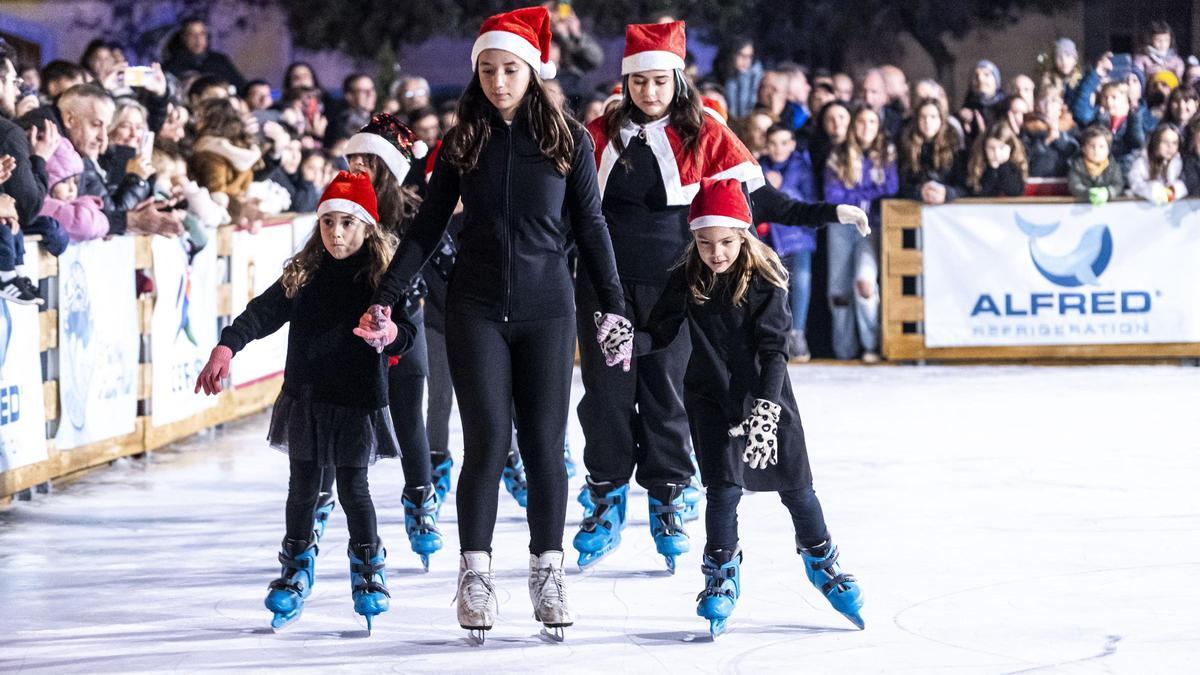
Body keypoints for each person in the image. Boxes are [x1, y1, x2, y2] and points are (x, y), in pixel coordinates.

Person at [354, 6, 633, 642]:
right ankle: (475, 575)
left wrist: (613, 303)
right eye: (487, 70)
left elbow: (590, 225)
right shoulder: (464, 141)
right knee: (485, 441)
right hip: (476, 309)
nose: (498, 81)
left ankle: (547, 569)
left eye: (510, 69)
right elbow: (426, 228)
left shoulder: (567, 139)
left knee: (543, 447)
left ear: (534, 70)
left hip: (547, 310)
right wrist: (389, 293)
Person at [576, 20, 868, 575]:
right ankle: (607, 495)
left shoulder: (705, 132)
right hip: (602, 284)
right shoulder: (599, 134)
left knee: (666, 393)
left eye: (660, 81)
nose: (650, 93)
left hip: (674, 284)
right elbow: (565, 211)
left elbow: (765, 202)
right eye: (639, 82)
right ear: (626, 82)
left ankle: (666, 496)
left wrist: (830, 214)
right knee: (607, 395)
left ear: (677, 80)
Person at [639, 176, 865, 638]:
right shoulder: (688, 276)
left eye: (725, 241)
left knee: (796, 487)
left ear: (743, 235)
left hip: (767, 395)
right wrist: (628, 341)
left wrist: (767, 407)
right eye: (705, 243)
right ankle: (721, 572)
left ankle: (822, 558)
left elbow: (774, 349)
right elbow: (659, 332)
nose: (716, 253)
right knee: (722, 490)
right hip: (711, 400)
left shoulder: (765, 279)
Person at [195, 171, 415, 631]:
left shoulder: (382, 280)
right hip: (308, 397)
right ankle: (295, 567)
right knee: (304, 488)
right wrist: (227, 345)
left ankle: (369, 568)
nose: (336, 233)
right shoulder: (305, 273)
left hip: (357, 400)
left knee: (355, 490)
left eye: (347, 223)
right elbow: (263, 312)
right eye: (328, 222)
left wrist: (390, 334)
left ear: (368, 226)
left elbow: (406, 333)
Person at [824, 106, 896, 362]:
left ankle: (871, 344)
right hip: (842, 227)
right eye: (861, 121)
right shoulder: (839, 154)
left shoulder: (886, 154)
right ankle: (844, 350)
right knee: (839, 292)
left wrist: (857, 197)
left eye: (872, 122)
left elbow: (890, 188)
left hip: (872, 227)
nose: (866, 127)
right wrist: (866, 196)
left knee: (865, 284)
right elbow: (833, 194)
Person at [759, 124, 817, 361]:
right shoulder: (758, 166)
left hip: (797, 237)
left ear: (792, 144)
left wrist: (782, 187)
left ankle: (798, 334)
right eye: (773, 143)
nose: (778, 148)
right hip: (769, 239)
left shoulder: (802, 167)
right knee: (775, 287)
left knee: (801, 284)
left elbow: (809, 199)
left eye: (784, 143)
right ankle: (777, 336)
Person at [900, 97, 967, 204]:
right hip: (914, 210)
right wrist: (919, 192)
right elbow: (901, 184)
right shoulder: (907, 145)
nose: (927, 122)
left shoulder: (954, 147)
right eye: (923, 117)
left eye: (933, 117)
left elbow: (964, 186)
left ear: (941, 119)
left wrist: (947, 193)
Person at [163, 18, 247, 89]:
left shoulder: (220, 61)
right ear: (183, 38)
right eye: (192, 34)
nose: (198, 39)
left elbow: (242, 86)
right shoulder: (172, 66)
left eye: (202, 34)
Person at [1127, 123, 1187, 203]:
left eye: (1174, 143)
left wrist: (1174, 189)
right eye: (1165, 142)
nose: (1170, 147)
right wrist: (1153, 190)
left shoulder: (1178, 163)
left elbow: (1186, 184)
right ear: (1156, 142)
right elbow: (1135, 185)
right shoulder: (1141, 163)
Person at [1068, 125, 1125, 205]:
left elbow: (1118, 185)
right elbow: (1074, 185)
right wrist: (1088, 193)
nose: (1096, 150)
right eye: (1092, 146)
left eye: (1101, 147)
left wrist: (1108, 193)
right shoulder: (1077, 165)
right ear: (1083, 148)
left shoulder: (1113, 166)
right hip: (1082, 206)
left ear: (1108, 149)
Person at [967, 123, 1028, 197]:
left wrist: (1003, 164)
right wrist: (993, 168)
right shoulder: (975, 163)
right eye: (991, 148)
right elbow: (980, 194)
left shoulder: (1016, 163)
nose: (996, 153)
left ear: (1010, 147)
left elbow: (1015, 192)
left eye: (1001, 147)